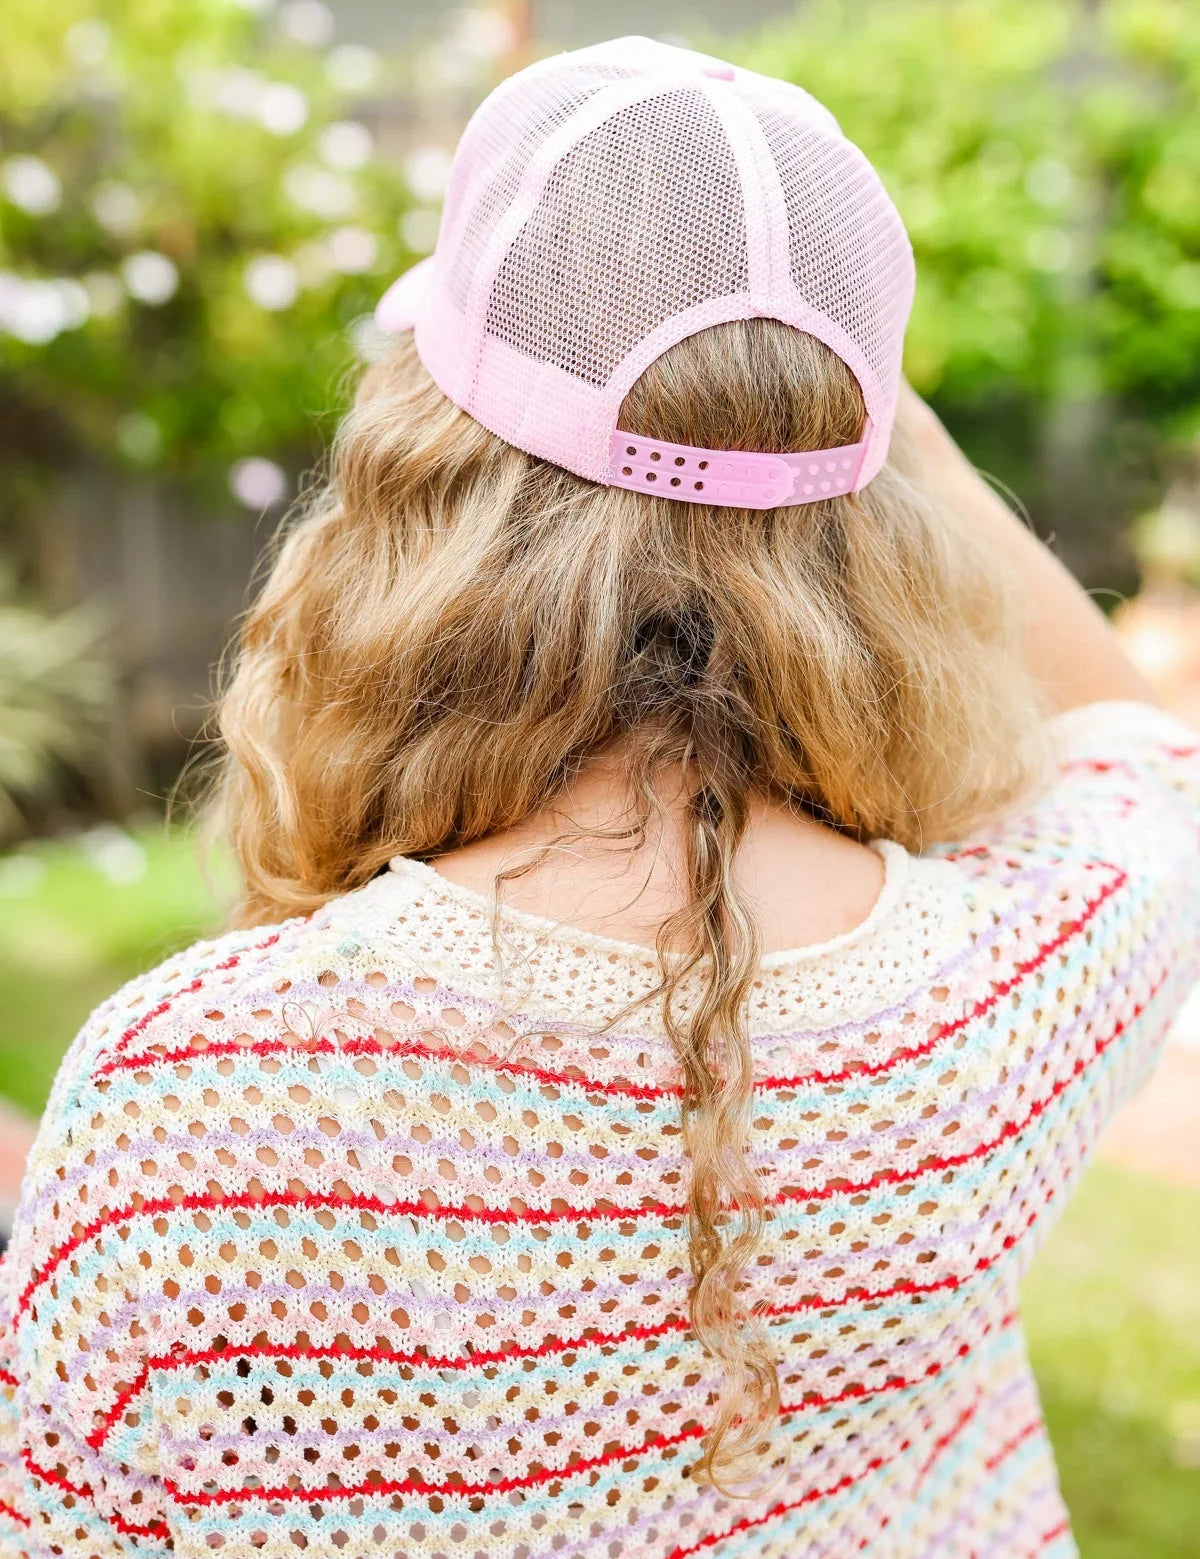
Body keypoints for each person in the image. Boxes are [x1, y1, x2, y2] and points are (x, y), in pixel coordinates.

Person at [1, 35, 1196, 1559]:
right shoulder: (1016, 982)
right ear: (872, 498)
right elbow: (1139, 753)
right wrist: (882, 426)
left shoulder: (183, 1105)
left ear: (426, 462)